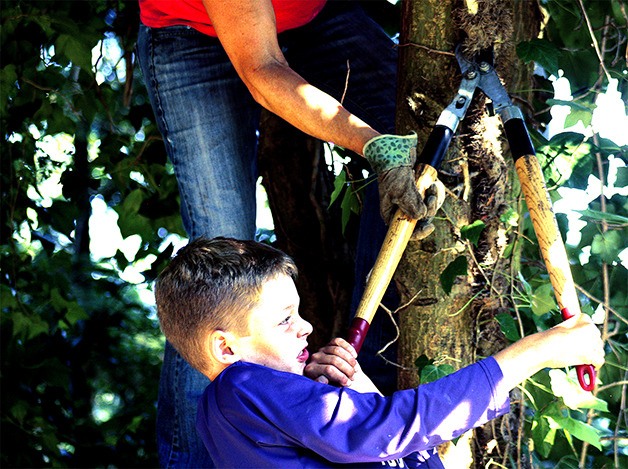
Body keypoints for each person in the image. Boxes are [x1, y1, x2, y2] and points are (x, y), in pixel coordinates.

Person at [136, 1, 445, 465]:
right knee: (219, 286)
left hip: (313, 15)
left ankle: (364, 389)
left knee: (420, 148)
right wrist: (372, 145)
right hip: (191, 33)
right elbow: (262, 67)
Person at [155, 236, 605, 469]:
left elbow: (386, 442)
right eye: (284, 318)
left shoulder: (246, 411)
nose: (307, 326)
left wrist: (362, 396)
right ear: (226, 347)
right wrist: (533, 353)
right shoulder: (239, 387)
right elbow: (378, 431)